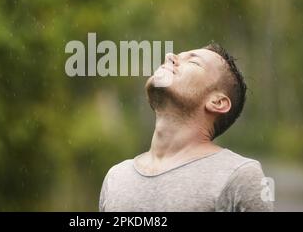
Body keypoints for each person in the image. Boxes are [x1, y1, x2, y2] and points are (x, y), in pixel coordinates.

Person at [99, 43, 274, 212]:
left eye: (193, 62)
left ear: (217, 102)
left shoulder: (240, 176)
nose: (169, 57)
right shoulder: (116, 177)